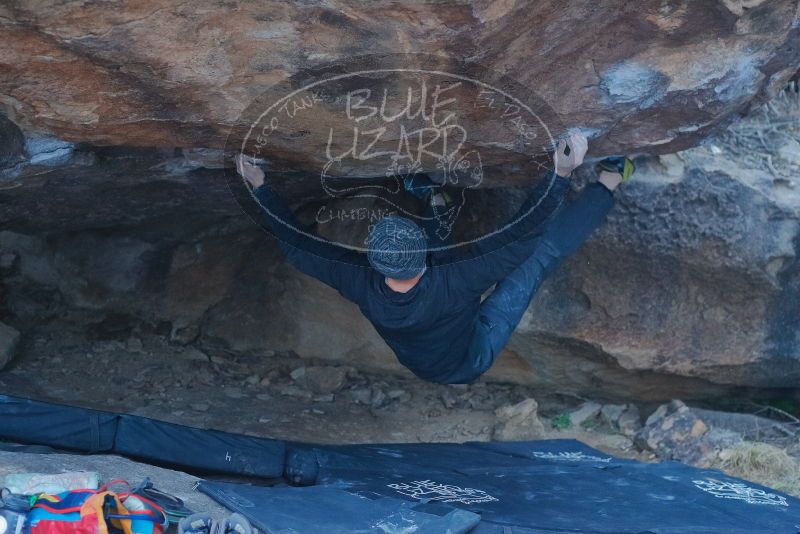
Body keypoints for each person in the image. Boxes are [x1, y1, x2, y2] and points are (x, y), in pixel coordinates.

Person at [234, 132, 634, 384]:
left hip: (425, 351)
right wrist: (560, 172)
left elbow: (299, 247)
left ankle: (435, 196)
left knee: (453, 250)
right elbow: (522, 237)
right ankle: (609, 181)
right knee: (537, 258)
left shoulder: (359, 280)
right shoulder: (458, 277)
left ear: (373, 261)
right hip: (470, 355)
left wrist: (261, 188)